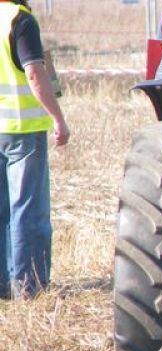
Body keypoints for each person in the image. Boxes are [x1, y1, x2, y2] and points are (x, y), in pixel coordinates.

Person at [0, 0, 68, 299]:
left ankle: (4, 285)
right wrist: (58, 118)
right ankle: (29, 287)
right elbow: (34, 74)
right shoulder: (20, 20)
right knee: (28, 211)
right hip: (22, 132)